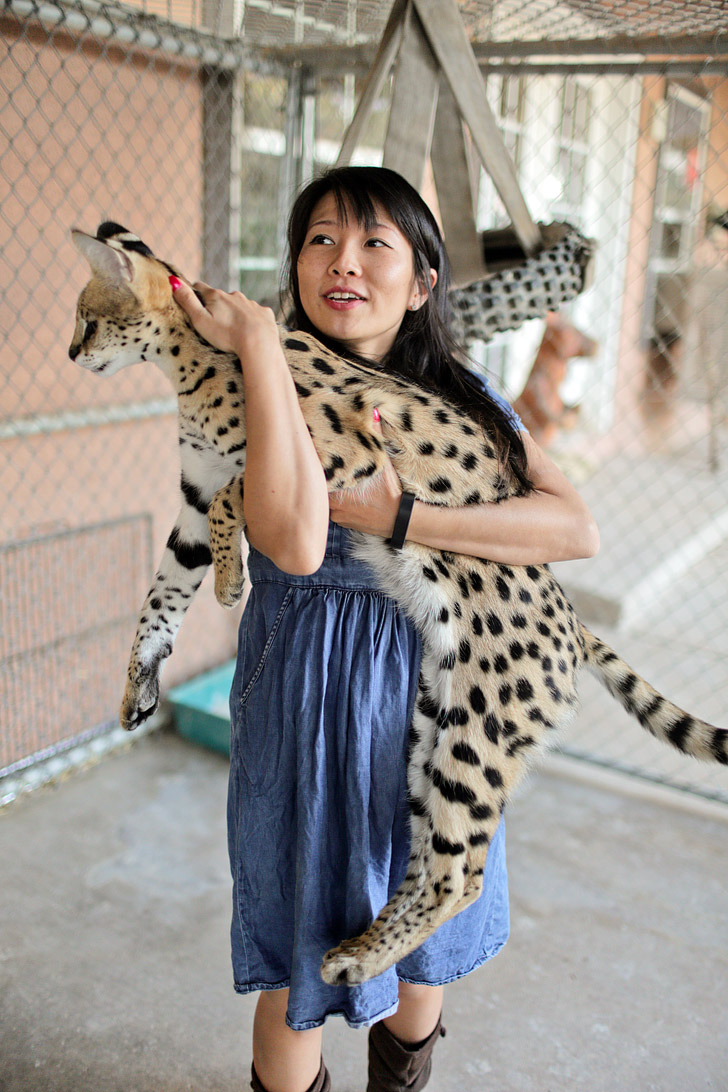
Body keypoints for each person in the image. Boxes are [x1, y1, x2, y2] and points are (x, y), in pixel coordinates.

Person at [171, 166, 599, 1092]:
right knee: (303, 957)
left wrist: (404, 519)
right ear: (293, 266)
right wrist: (254, 341)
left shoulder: (462, 391)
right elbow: (289, 542)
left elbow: (573, 527)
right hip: (310, 697)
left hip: (438, 688)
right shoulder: (266, 378)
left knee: (419, 942)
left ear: (422, 281)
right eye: (320, 239)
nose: (344, 263)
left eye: (376, 244)